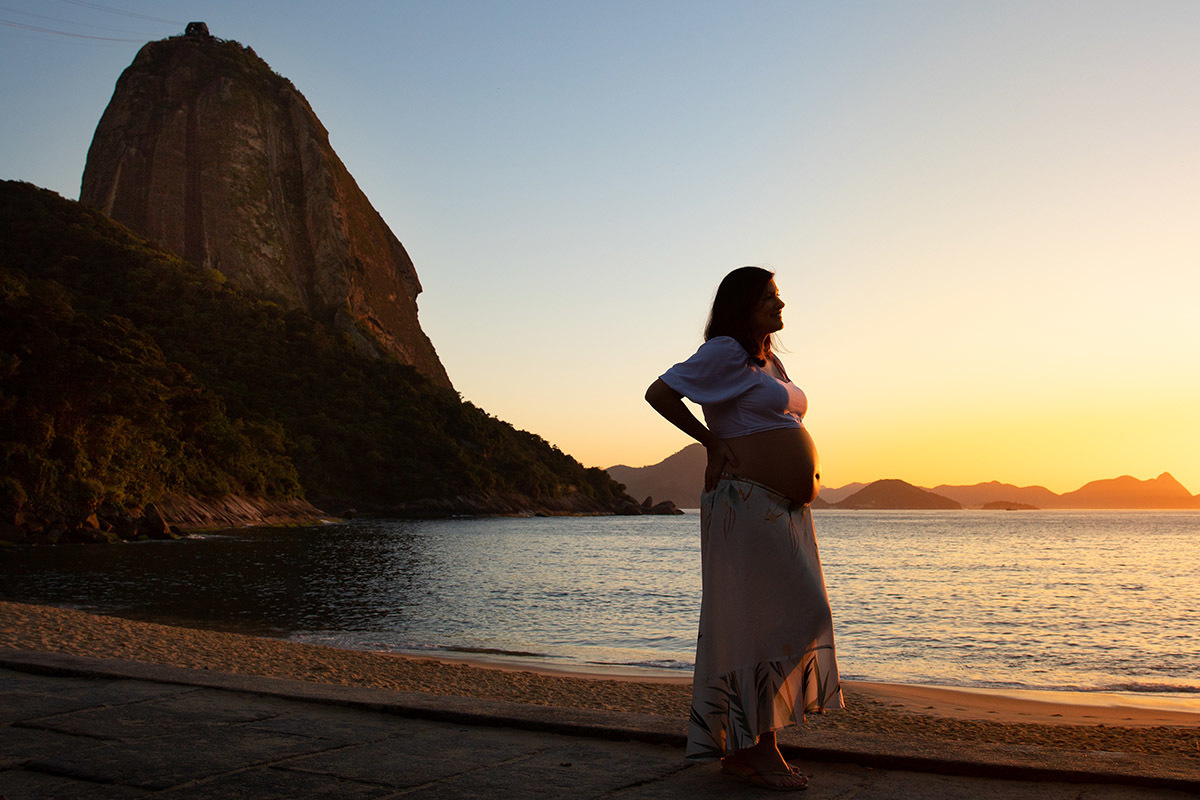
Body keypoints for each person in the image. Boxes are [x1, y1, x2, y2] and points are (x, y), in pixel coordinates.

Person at [645, 266, 842, 791]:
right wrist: (708, 442)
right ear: (742, 305)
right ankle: (759, 750)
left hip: (784, 509)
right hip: (746, 501)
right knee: (776, 622)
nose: (781, 307)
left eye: (779, 298)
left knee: (786, 620)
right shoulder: (725, 351)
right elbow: (659, 393)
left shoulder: (768, 359)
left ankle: (746, 746)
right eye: (770, 299)